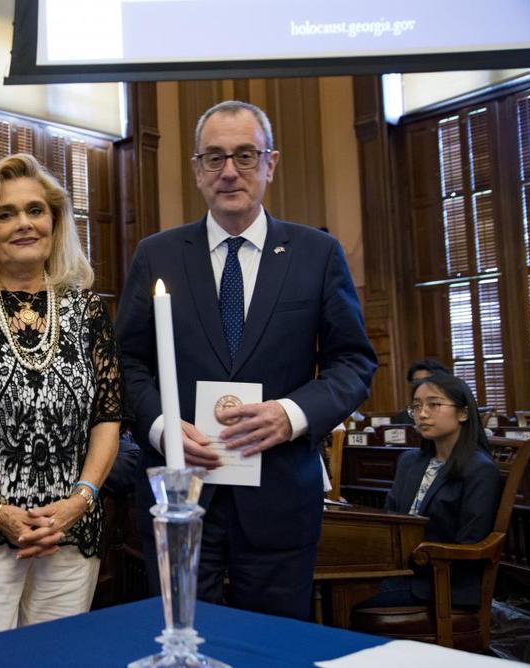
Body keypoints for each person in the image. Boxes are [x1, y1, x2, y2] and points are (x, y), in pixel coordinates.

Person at [116, 100, 377, 621]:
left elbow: (354, 362)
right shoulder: (157, 255)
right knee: (184, 636)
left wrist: (292, 414)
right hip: (182, 494)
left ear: (270, 163)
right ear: (196, 170)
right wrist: (163, 426)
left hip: (280, 495)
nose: (229, 171)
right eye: (214, 158)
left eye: (244, 155)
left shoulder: (317, 254)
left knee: (274, 644)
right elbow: (127, 362)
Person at [0, 153, 121, 642]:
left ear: (55, 221)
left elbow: (107, 417)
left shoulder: (88, 310)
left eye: (36, 210)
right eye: (5, 213)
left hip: (71, 533)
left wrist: (80, 500)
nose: (24, 224)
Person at [356, 372, 501, 609]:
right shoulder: (409, 461)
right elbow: (390, 517)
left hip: (439, 582)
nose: (422, 414)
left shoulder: (480, 470)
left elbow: (470, 544)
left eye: (434, 405)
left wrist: (415, 562)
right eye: (416, 406)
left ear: (463, 413)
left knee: (338, 596)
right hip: (396, 570)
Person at [390, 358, 450, 424]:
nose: (421, 386)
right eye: (416, 382)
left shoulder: (447, 413)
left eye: (426, 381)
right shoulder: (402, 418)